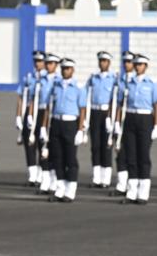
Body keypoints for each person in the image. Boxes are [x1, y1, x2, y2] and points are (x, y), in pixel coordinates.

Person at [119, 54, 157, 205]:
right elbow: (121, 103)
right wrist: (118, 122)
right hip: (130, 118)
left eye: (141, 65)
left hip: (145, 119)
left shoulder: (151, 83)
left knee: (143, 156)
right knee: (131, 156)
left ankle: (143, 193)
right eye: (136, 64)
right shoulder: (129, 83)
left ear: (146, 67)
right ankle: (132, 192)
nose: (138, 67)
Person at [42, 58, 86, 203]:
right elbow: (49, 107)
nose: (65, 71)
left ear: (72, 70)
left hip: (70, 123)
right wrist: (44, 126)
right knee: (57, 157)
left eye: (67, 68)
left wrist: (80, 129)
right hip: (56, 122)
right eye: (63, 68)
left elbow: (82, 109)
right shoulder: (56, 85)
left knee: (70, 157)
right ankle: (60, 188)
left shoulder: (78, 87)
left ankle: (70, 189)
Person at [86, 51, 116, 189]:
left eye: (105, 61)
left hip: (107, 113)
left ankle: (106, 178)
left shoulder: (114, 78)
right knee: (95, 146)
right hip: (94, 112)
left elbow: (114, 100)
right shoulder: (93, 78)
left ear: (109, 63)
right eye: (100, 61)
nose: (102, 63)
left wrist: (111, 117)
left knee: (107, 145)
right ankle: (96, 178)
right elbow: (86, 97)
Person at [16, 50, 46, 186]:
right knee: (29, 144)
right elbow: (21, 97)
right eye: (36, 61)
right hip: (29, 112)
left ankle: (41, 175)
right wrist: (18, 115)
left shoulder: (49, 79)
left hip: (43, 111)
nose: (37, 64)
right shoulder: (29, 78)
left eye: (40, 61)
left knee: (42, 144)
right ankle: (32, 176)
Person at [35, 53, 61, 194]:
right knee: (42, 147)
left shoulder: (58, 80)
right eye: (47, 63)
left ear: (56, 65)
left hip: (53, 115)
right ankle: (45, 180)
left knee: (55, 149)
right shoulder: (40, 79)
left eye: (51, 63)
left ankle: (55, 180)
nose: (48, 66)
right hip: (41, 113)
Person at [113, 51, 136, 196]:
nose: (127, 64)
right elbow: (118, 103)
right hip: (122, 120)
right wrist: (115, 121)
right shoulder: (119, 80)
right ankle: (122, 185)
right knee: (120, 154)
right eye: (125, 62)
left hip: (134, 119)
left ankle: (133, 185)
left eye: (129, 62)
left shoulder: (136, 81)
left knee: (133, 155)